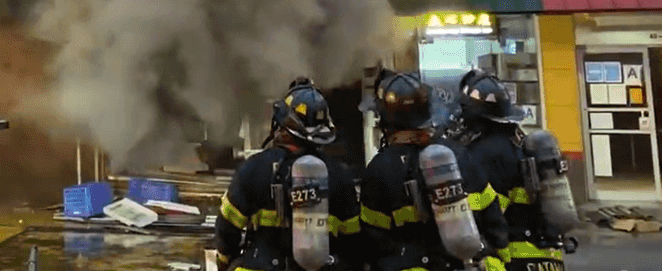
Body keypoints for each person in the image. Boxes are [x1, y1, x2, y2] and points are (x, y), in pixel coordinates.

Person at [360, 71, 508, 271]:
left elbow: (373, 242)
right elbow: (493, 219)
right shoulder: (460, 155)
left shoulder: (379, 169)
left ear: (385, 120)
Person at [213, 78, 364, 271]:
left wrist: (226, 261)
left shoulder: (253, 169)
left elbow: (226, 229)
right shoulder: (338, 176)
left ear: (281, 124)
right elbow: (353, 241)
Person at [455, 70, 571, 270]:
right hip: (550, 258)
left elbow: (484, 215)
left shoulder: (483, 153)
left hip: (513, 257)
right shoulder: (522, 143)